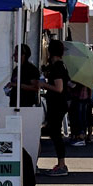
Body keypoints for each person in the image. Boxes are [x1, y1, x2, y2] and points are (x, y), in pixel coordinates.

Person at [39, 40, 71, 176]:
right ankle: (61, 163)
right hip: (60, 103)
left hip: (57, 104)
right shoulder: (60, 65)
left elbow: (59, 88)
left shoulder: (57, 67)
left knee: (55, 133)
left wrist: (43, 85)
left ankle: (62, 165)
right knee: (53, 132)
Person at [6, 44, 41, 108]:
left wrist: (16, 85)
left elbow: (36, 87)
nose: (14, 55)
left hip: (26, 105)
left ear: (23, 55)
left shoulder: (31, 69)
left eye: (16, 54)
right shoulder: (16, 69)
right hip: (14, 104)